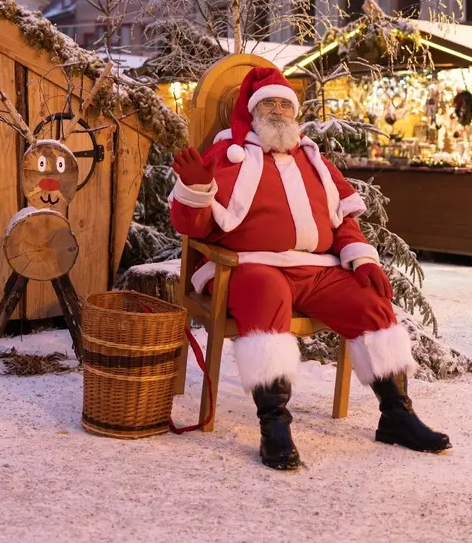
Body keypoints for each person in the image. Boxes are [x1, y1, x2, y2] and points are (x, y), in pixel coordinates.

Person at [169, 67, 450, 470]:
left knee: (371, 303)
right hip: (249, 267)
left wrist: (361, 258)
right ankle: (274, 424)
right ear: (253, 111)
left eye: (285, 104)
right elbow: (193, 228)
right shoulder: (227, 156)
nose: (278, 110)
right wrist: (196, 190)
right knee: (267, 294)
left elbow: (342, 221)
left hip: (317, 269)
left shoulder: (314, 161)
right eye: (269, 103)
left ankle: (396, 416)